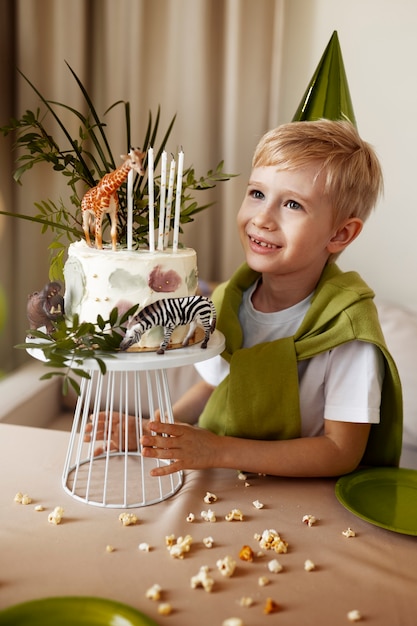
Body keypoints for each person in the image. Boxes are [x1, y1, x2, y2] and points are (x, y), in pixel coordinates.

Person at [88, 120, 403, 478]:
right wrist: (154, 433)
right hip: (228, 489)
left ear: (341, 233)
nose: (263, 218)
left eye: (293, 205)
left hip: (305, 502)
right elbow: (215, 385)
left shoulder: (346, 328)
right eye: (257, 194)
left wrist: (217, 449)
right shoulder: (227, 301)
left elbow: (340, 451)